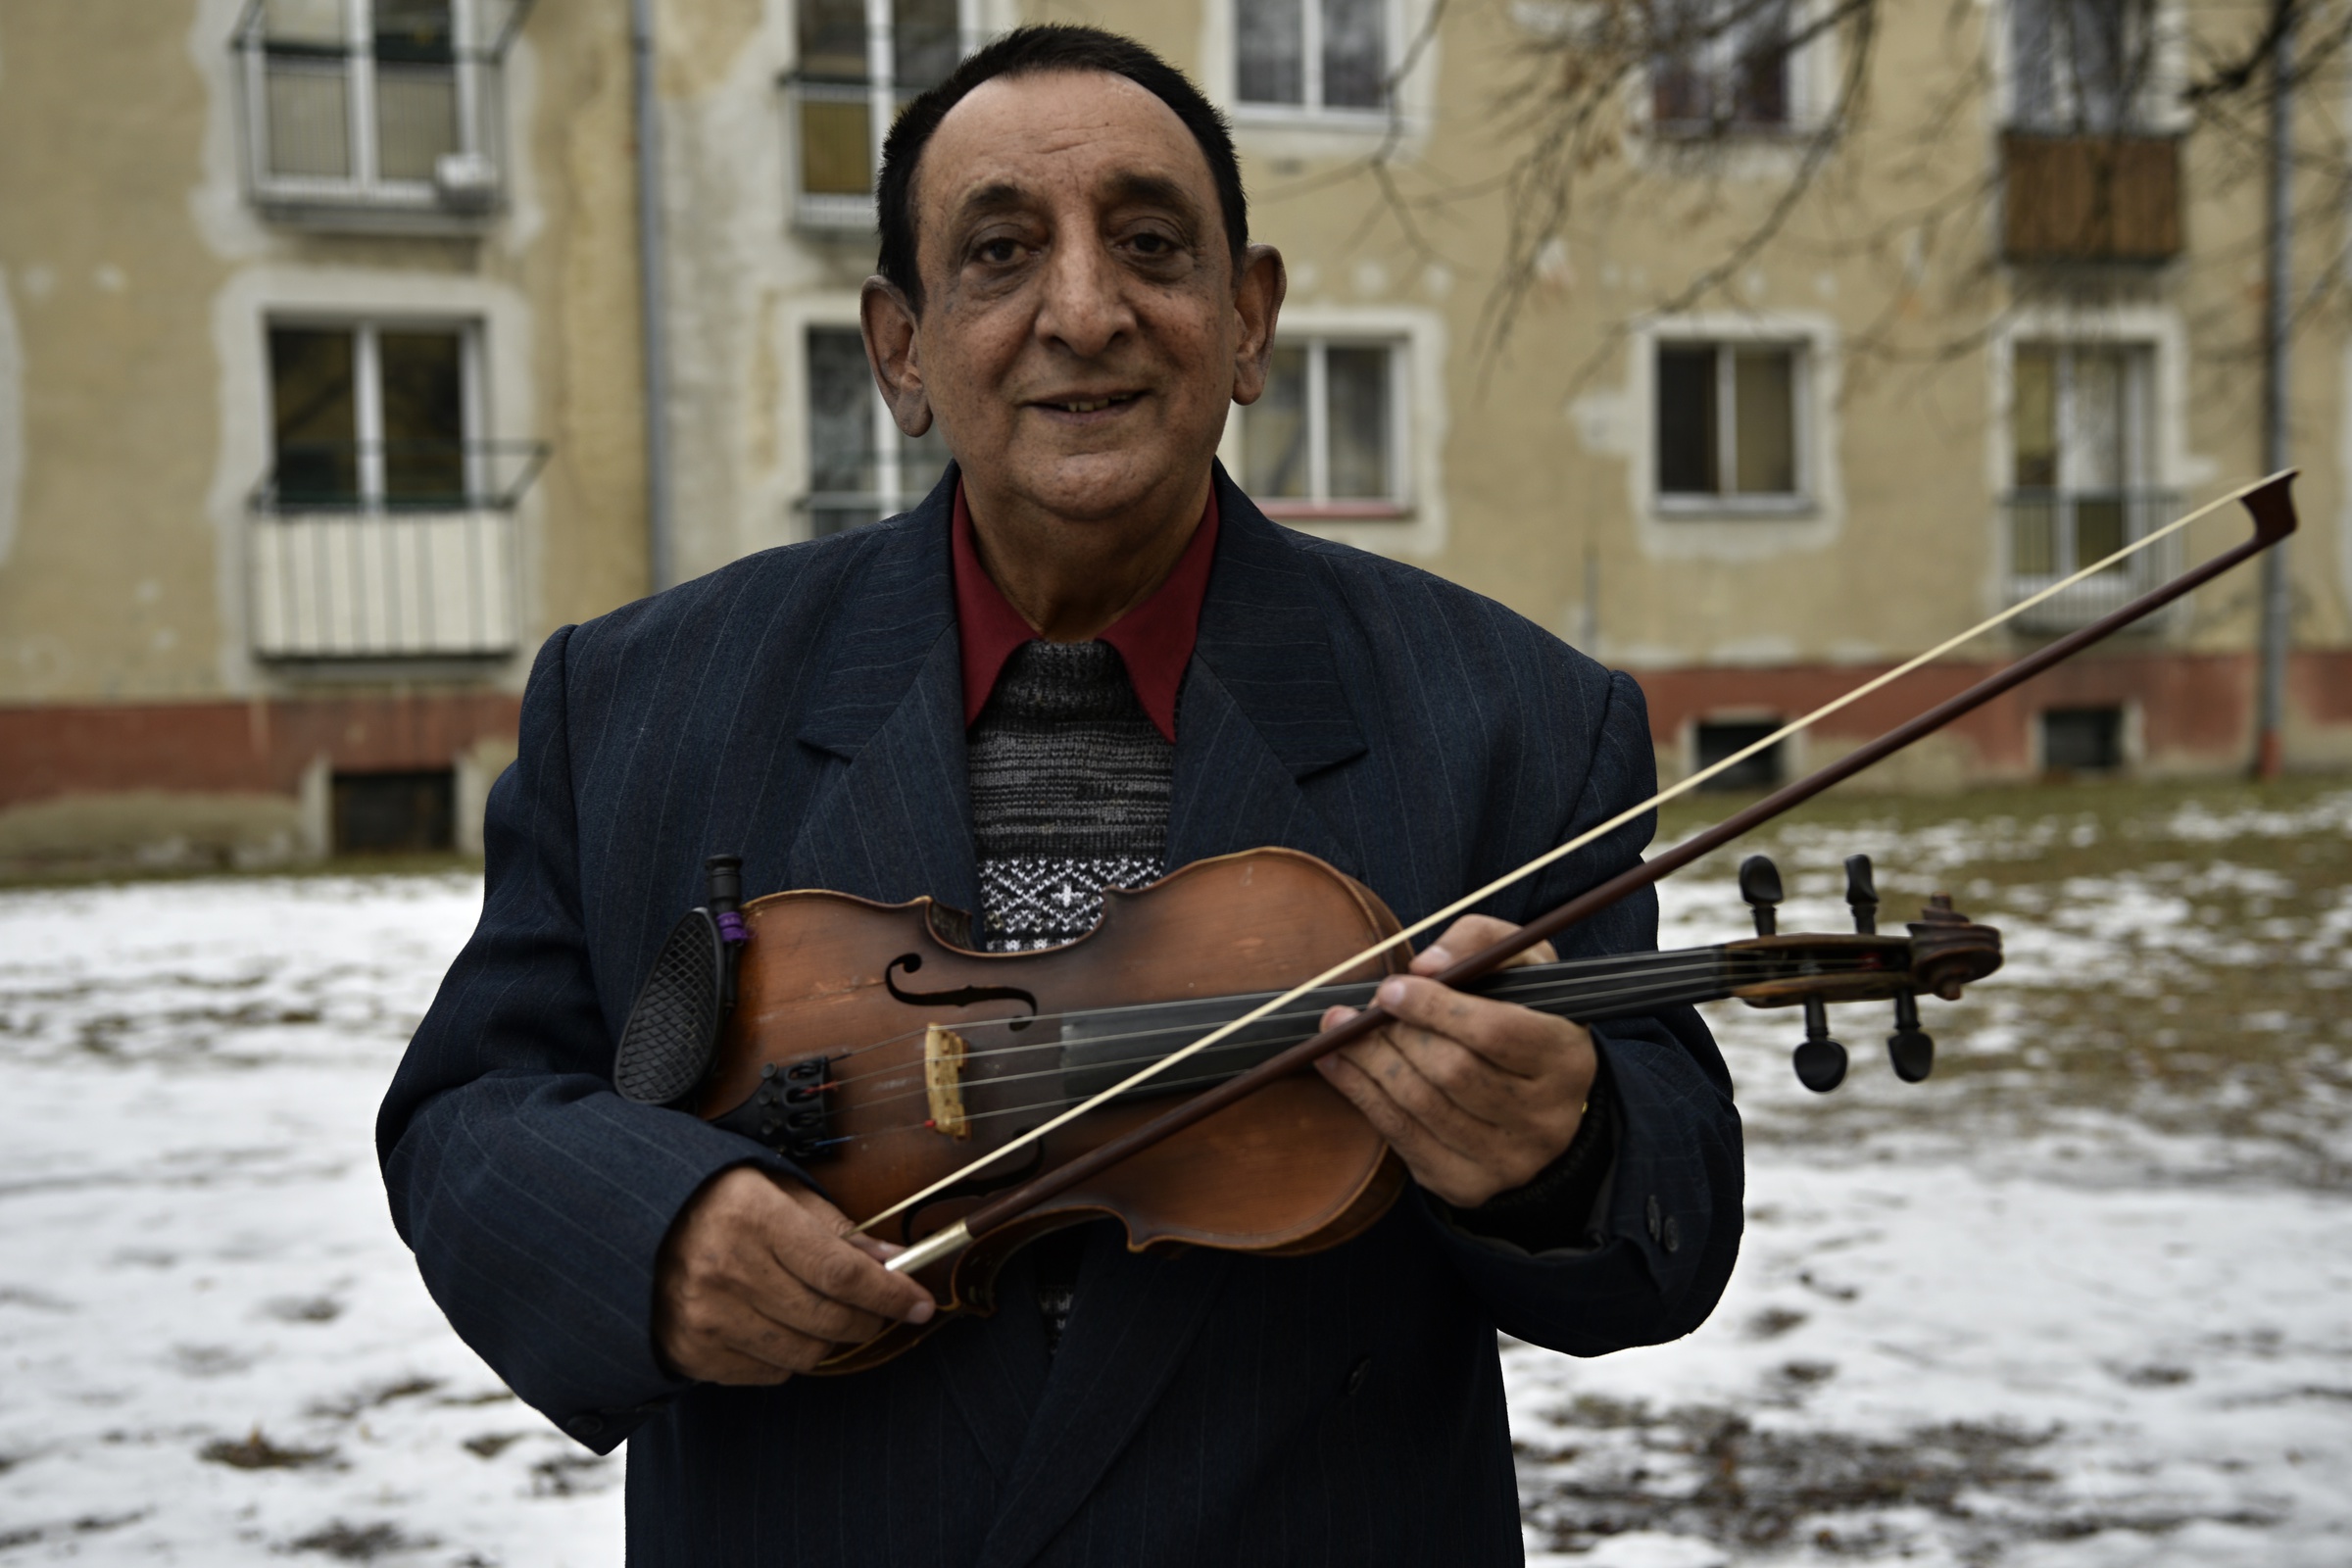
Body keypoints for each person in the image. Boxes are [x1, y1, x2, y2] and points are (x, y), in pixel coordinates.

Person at [379, 25, 1741, 1567]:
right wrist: (653, 1235)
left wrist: (1567, 1147)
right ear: (902, 350)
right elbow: (470, 1113)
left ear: (1247, 320)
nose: (1084, 312)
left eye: (1151, 245)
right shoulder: (638, 701)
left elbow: (1672, 1217)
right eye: (1001, 252)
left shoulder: (1518, 719)